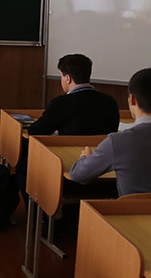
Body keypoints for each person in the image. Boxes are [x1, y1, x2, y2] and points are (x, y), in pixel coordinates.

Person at [69, 68, 151, 197]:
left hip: (129, 209)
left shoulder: (117, 142)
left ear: (132, 99)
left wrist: (85, 157)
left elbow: (77, 175)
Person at [14, 54, 119, 194]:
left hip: (69, 167)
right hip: (102, 165)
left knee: (23, 168)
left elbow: (36, 131)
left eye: (61, 76)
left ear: (68, 78)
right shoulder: (110, 102)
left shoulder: (61, 103)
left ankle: (40, 207)